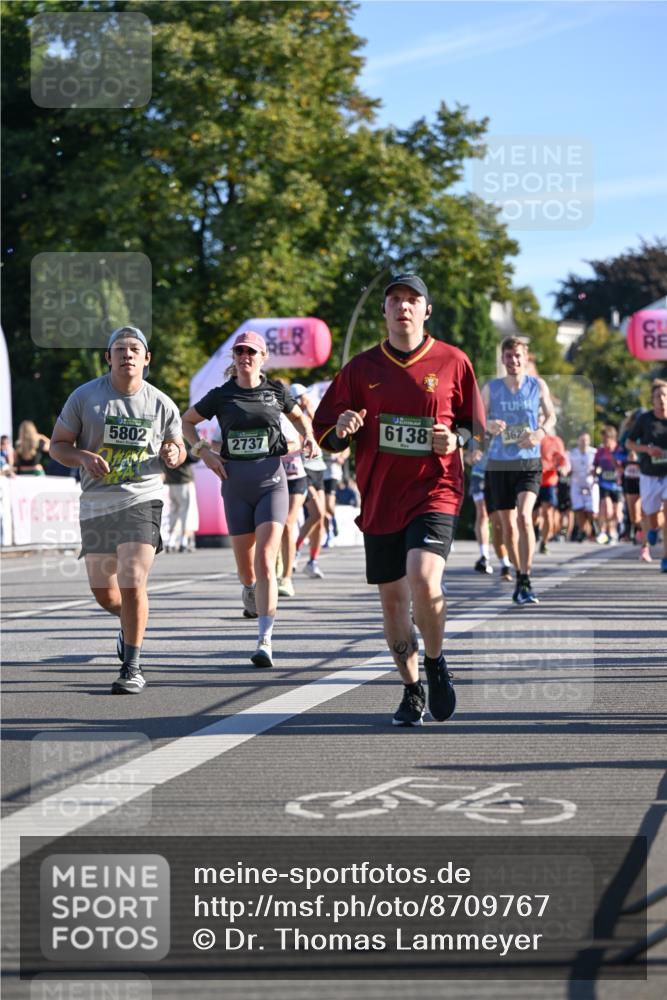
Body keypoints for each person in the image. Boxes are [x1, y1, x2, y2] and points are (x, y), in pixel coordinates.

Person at [313, 273, 485, 727]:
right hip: (380, 499)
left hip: (436, 488)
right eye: (395, 300)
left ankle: (435, 660)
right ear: (385, 311)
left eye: (413, 300)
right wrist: (343, 429)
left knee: (424, 579)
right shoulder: (360, 369)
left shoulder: (453, 360)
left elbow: (472, 424)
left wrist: (457, 439)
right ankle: (411, 689)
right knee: (393, 603)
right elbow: (324, 431)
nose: (403, 307)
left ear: (427, 310)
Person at [49, 325, 186, 694]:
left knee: (132, 580)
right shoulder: (85, 397)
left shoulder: (160, 403)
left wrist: (174, 453)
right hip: (97, 502)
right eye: (120, 349)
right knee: (105, 593)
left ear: (146, 358)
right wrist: (81, 455)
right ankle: (128, 623)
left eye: (134, 349)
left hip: (143, 497)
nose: (127, 354)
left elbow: (177, 445)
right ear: (108, 357)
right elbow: (57, 446)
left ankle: (132, 665)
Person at [181, 331, 320, 666]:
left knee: (266, 560)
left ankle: (265, 641)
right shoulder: (221, 395)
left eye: (251, 352)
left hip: (272, 482)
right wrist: (204, 454)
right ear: (234, 358)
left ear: (263, 357)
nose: (245, 356)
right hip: (234, 486)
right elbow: (187, 422)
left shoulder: (275, 392)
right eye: (240, 351)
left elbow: (299, 416)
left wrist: (310, 437)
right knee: (247, 569)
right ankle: (248, 589)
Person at [482, 337, 557, 605]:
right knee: (507, 526)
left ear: (525, 359)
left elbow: (551, 416)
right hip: (500, 463)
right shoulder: (491, 388)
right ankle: (518, 574)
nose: (513, 361)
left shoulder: (537, 386)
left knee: (525, 518)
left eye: (518, 356)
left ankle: (525, 577)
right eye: (509, 356)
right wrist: (489, 425)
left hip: (528, 462)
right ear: (503, 359)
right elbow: (478, 420)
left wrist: (540, 432)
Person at [625, 380, 667, 572]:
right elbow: (629, 443)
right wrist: (647, 449)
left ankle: (665, 558)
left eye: (665, 395)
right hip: (649, 473)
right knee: (653, 516)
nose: (662, 400)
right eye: (658, 396)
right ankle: (654, 529)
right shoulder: (645, 420)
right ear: (652, 401)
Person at [292, 384, 328, 578]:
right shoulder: (293, 416)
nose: (303, 401)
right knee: (316, 513)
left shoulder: (312, 414)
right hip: (304, 468)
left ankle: (312, 561)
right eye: (299, 399)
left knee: (320, 519)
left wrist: (311, 412)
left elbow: (320, 435)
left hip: (319, 467)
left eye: (304, 397)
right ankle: (295, 549)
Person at [277, 411, 309, 597]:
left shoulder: (298, 419)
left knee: (288, 523)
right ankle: (277, 560)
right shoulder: (264, 414)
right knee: (274, 526)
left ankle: (287, 578)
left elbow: (310, 444)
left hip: (297, 477)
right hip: (274, 477)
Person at [536, 423, 570, 554]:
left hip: (549, 481)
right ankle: (530, 536)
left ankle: (546, 541)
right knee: (530, 516)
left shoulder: (556, 441)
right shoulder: (532, 437)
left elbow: (563, 460)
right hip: (531, 480)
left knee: (551, 513)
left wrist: (564, 468)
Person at [163, 443, 200, 552]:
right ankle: (184, 541)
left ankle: (171, 540)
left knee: (174, 511)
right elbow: (191, 458)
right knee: (187, 512)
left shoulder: (165, 439)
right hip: (184, 481)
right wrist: (199, 449)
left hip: (170, 481)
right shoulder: (182, 440)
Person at [593, 425, 623, 544]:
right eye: (603, 439)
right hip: (604, 483)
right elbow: (595, 465)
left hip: (618, 485)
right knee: (607, 508)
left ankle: (614, 530)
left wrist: (614, 460)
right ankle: (608, 533)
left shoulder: (619, 450)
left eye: (606, 439)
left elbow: (623, 466)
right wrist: (594, 471)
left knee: (616, 512)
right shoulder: (600, 451)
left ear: (612, 438)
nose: (604, 442)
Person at [568, 431, 599, 542]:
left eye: (586, 440)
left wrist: (597, 471)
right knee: (579, 508)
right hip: (576, 483)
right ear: (578, 441)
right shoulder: (572, 453)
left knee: (591, 509)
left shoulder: (594, 453)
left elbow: (600, 466)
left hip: (590, 484)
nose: (584, 442)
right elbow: (567, 467)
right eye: (582, 440)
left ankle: (593, 526)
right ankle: (582, 531)